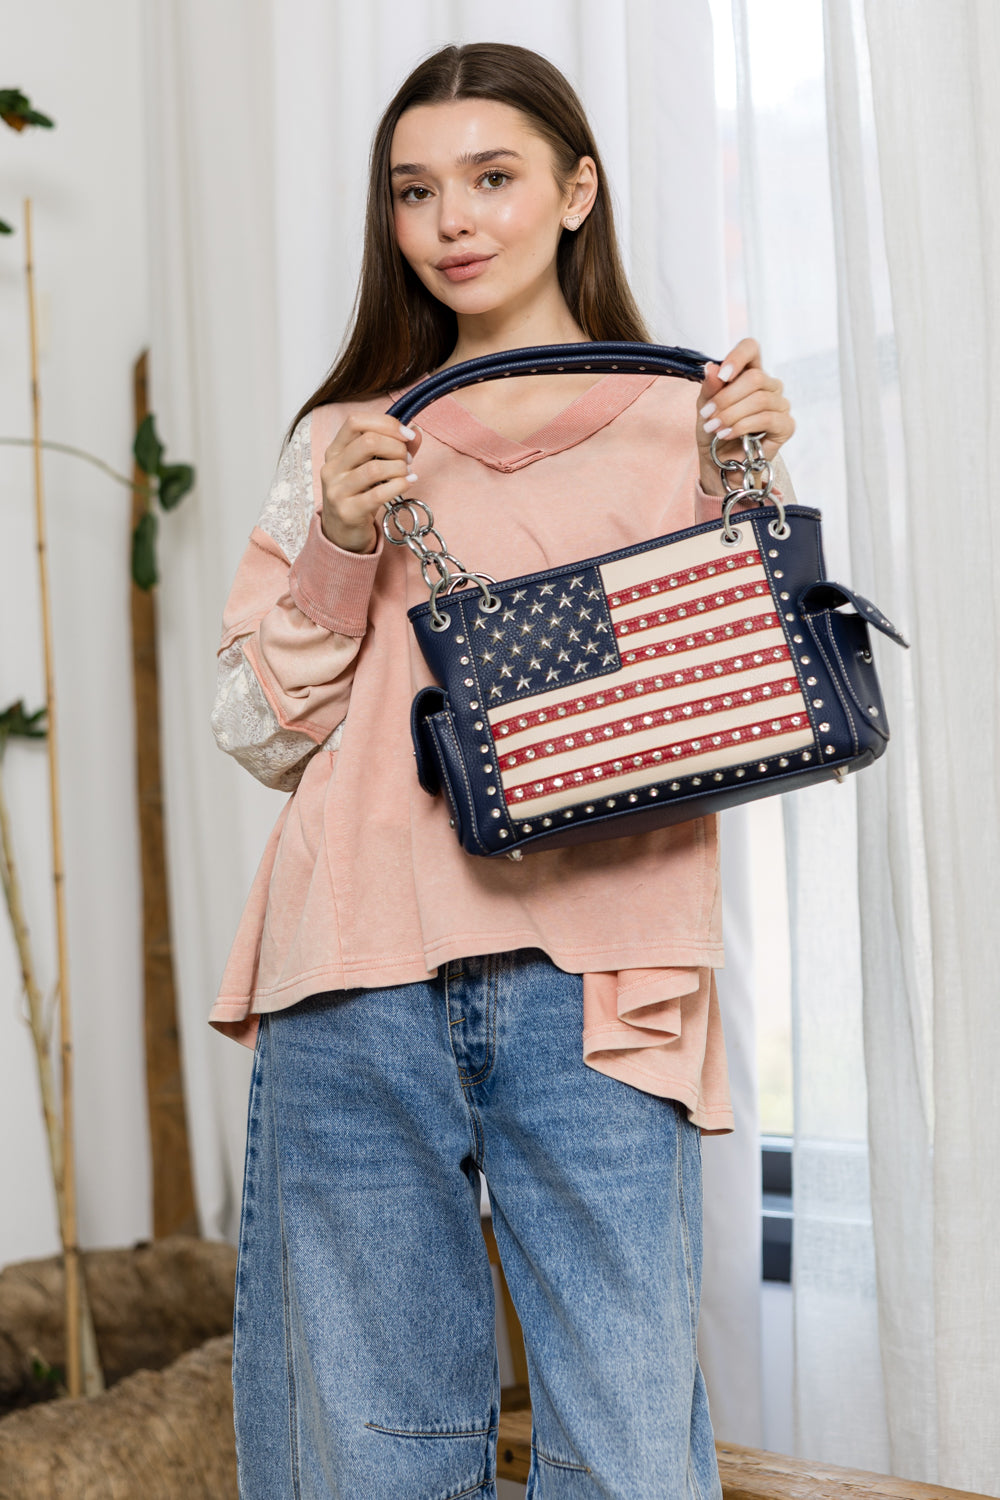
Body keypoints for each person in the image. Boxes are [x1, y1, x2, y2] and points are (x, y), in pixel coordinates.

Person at [210, 41, 794, 1500]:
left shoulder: (688, 419)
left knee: (629, 1452)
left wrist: (754, 479)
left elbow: (753, 694)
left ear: (577, 190)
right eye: (415, 191)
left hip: (600, 979)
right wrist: (342, 540)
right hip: (357, 969)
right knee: (372, 1458)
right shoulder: (350, 439)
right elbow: (259, 732)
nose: (451, 221)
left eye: (491, 177)